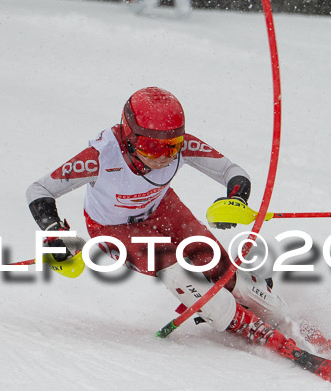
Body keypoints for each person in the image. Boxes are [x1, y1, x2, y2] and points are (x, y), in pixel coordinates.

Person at [26, 86, 304, 358]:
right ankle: (239, 322)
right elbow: (39, 190)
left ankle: (278, 314)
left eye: (171, 147)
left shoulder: (182, 147)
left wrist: (235, 200)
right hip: (112, 228)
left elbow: (232, 172)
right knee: (172, 266)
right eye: (150, 147)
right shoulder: (101, 157)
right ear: (128, 136)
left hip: (162, 208)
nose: (163, 157)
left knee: (216, 265)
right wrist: (55, 233)